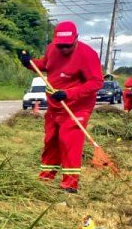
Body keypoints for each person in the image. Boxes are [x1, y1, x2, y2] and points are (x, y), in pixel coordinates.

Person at [19, 22, 103, 193]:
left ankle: (70, 184)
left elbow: (96, 82)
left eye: (67, 45)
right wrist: (28, 62)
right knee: (51, 140)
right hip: (55, 106)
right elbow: (44, 65)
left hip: (76, 107)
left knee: (69, 140)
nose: (64, 49)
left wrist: (69, 94)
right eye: (60, 45)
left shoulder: (87, 54)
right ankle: (46, 177)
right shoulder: (52, 49)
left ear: (76, 39)